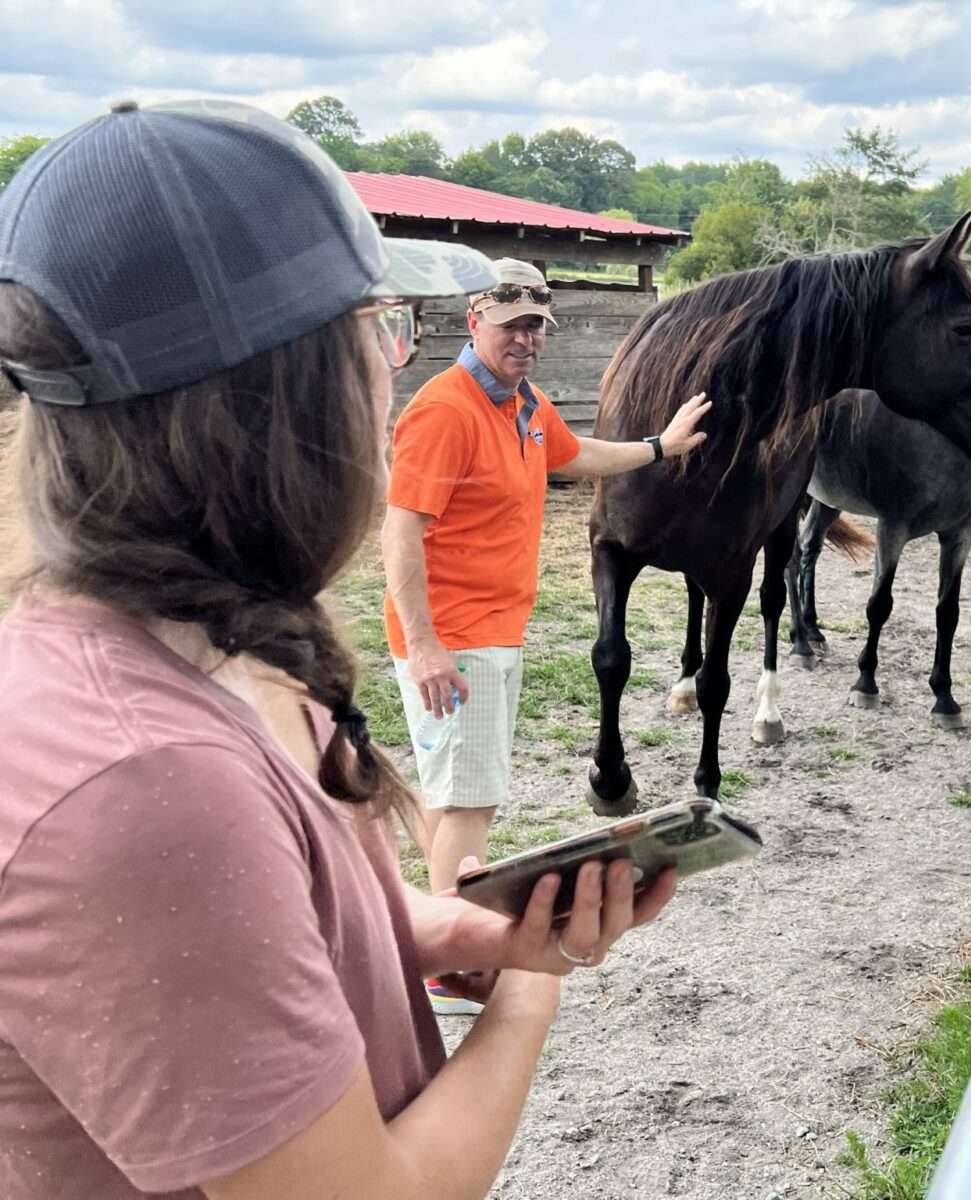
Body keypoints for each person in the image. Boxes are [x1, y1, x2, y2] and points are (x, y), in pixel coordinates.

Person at [0, 99, 675, 1200]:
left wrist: (475, 930)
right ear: (294, 393)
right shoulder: (147, 781)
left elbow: (282, 926)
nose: (392, 366)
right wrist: (532, 993)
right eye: (381, 328)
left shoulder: (213, 643)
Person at [380, 258, 707, 1012]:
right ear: (475, 322)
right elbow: (400, 532)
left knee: (454, 797)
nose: (525, 339)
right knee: (471, 803)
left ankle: (437, 943)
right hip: (456, 638)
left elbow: (576, 454)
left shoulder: (523, 405)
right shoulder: (445, 409)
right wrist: (425, 645)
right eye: (510, 326)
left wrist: (661, 447)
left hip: (493, 630)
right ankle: (451, 967)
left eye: (535, 326)